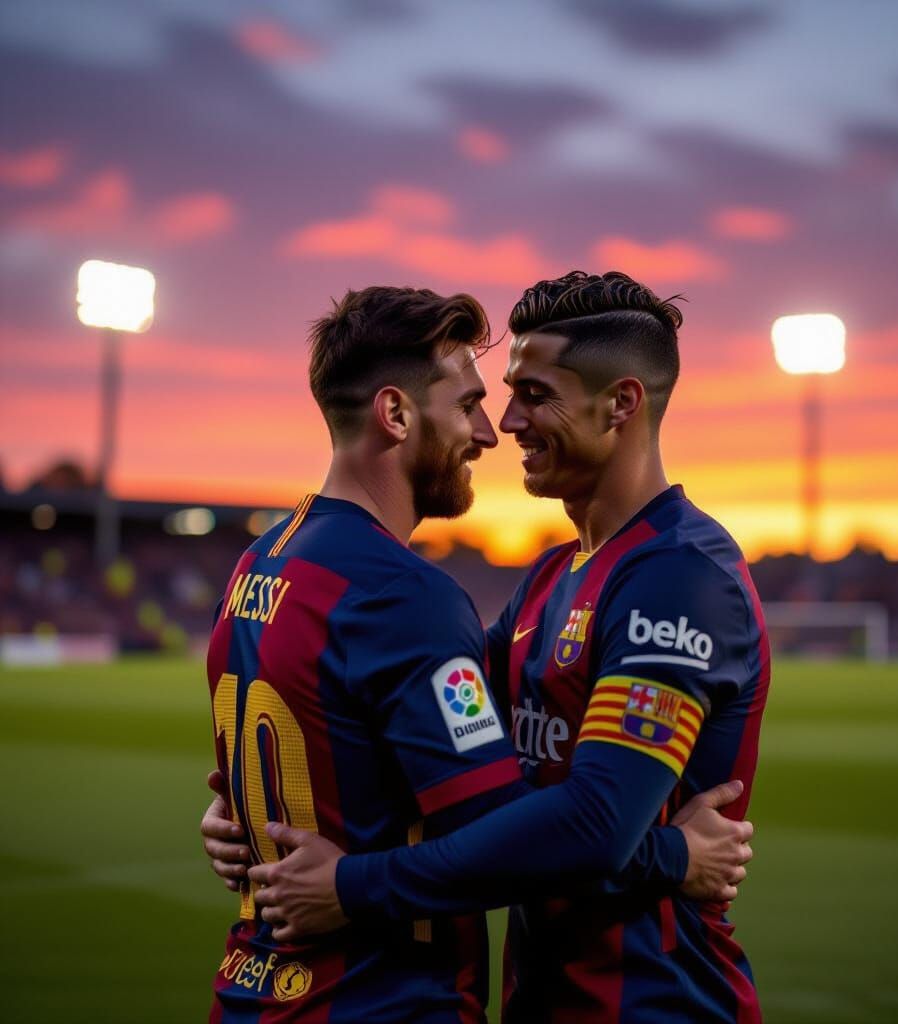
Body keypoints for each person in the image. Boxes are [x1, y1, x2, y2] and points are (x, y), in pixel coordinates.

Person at [201, 281, 753, 1023]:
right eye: (484, 401)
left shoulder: (679, 579)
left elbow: (590, 826)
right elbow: (399, 736)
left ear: (621, 403)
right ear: (394, 413)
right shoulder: (548, 580)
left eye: (533, 394)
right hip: (519, 997)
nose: (504, 424)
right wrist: (244, 806)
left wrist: (338, 873)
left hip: (653, 1000)